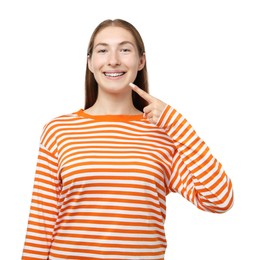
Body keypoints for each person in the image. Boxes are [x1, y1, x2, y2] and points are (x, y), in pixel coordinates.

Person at [22, 19, 234, 260]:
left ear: (141, 61)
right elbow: (41, 222)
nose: (113, 59)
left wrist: (176, 123)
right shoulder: (59, 130)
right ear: (90, 62)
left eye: (124, 49)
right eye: (103, 50)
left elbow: (220, 199)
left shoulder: (165, 135)